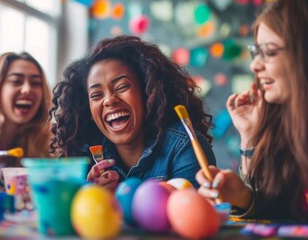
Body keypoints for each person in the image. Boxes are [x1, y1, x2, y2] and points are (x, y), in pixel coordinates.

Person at [49, 35, 216, 192]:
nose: (109, 100)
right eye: (96, 95)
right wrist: (89, 197)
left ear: (148, 93)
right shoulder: (85, 156)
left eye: (122, 87)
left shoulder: (182, 146)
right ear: (89, 111)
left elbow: (195, 217)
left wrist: (118, 204)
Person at [196, 0, 308, 221]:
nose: (255, 65)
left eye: (270, 52)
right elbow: (279, 212)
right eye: (256, 52)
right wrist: (248, 137)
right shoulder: (286, 131)